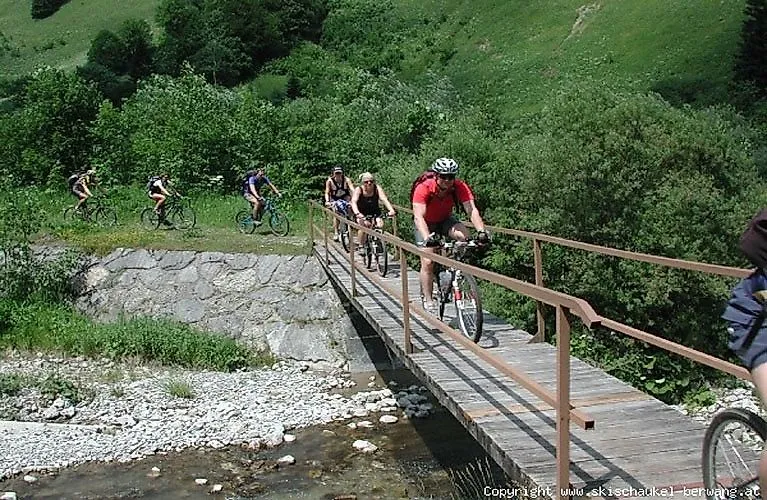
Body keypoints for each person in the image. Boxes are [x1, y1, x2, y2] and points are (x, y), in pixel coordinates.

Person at [412, 158, 490, 314]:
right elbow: (418, 216)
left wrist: (481, 231)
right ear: (436, 175)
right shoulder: (424, 188)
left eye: (451, 176)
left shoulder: (459, 186)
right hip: (426, 223)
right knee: (427, 261)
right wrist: (428, 238)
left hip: (445, 220)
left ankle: (451, 270)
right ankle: (428, 298)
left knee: (465, 236)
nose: (447, 180)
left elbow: (471, 210)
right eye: (443, 176)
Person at [350, 172, 396, 254]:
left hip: (375, 211)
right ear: (363, 183)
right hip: (361, 212)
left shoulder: (377, 188)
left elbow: (384, 199)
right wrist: (357, 213)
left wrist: (391, 210)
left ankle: (377, 242)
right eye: (366, 182)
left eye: (371, 181)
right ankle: (361, 245)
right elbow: (353, 202)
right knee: (363, 226)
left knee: (380, 225)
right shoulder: (359, 190)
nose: (369, 183)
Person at [324, 166, 355, 241]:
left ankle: (350, 226)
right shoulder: (330, 181)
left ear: (342, 173)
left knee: (350, 208)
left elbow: (352, 189)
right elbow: (327, 192)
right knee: (336, 212)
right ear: (333, 174)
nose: (338, 175)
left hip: (345, 197)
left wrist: (354, 199)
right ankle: (336, 232)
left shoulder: (347, 180)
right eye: (336, 173)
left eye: (339, 173)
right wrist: (327, 201)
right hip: (334, 198)